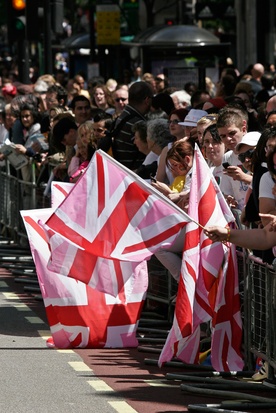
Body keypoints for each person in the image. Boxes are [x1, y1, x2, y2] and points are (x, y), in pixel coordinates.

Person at [111, 81, 154, 170]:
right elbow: (150, 151)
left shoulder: (123, 116)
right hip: (133, 174)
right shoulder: (137, 123)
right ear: (147, 100)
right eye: (152, 99)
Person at [216, 108, 252, 211]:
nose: (227, 139)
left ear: (243, 129)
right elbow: (227, 191)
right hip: (241, 215)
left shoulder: (257, 150)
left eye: (232, 133)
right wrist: (230, 199)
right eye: (223, 136)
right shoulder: (227, 158)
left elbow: (268, 183)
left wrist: (244, 177)